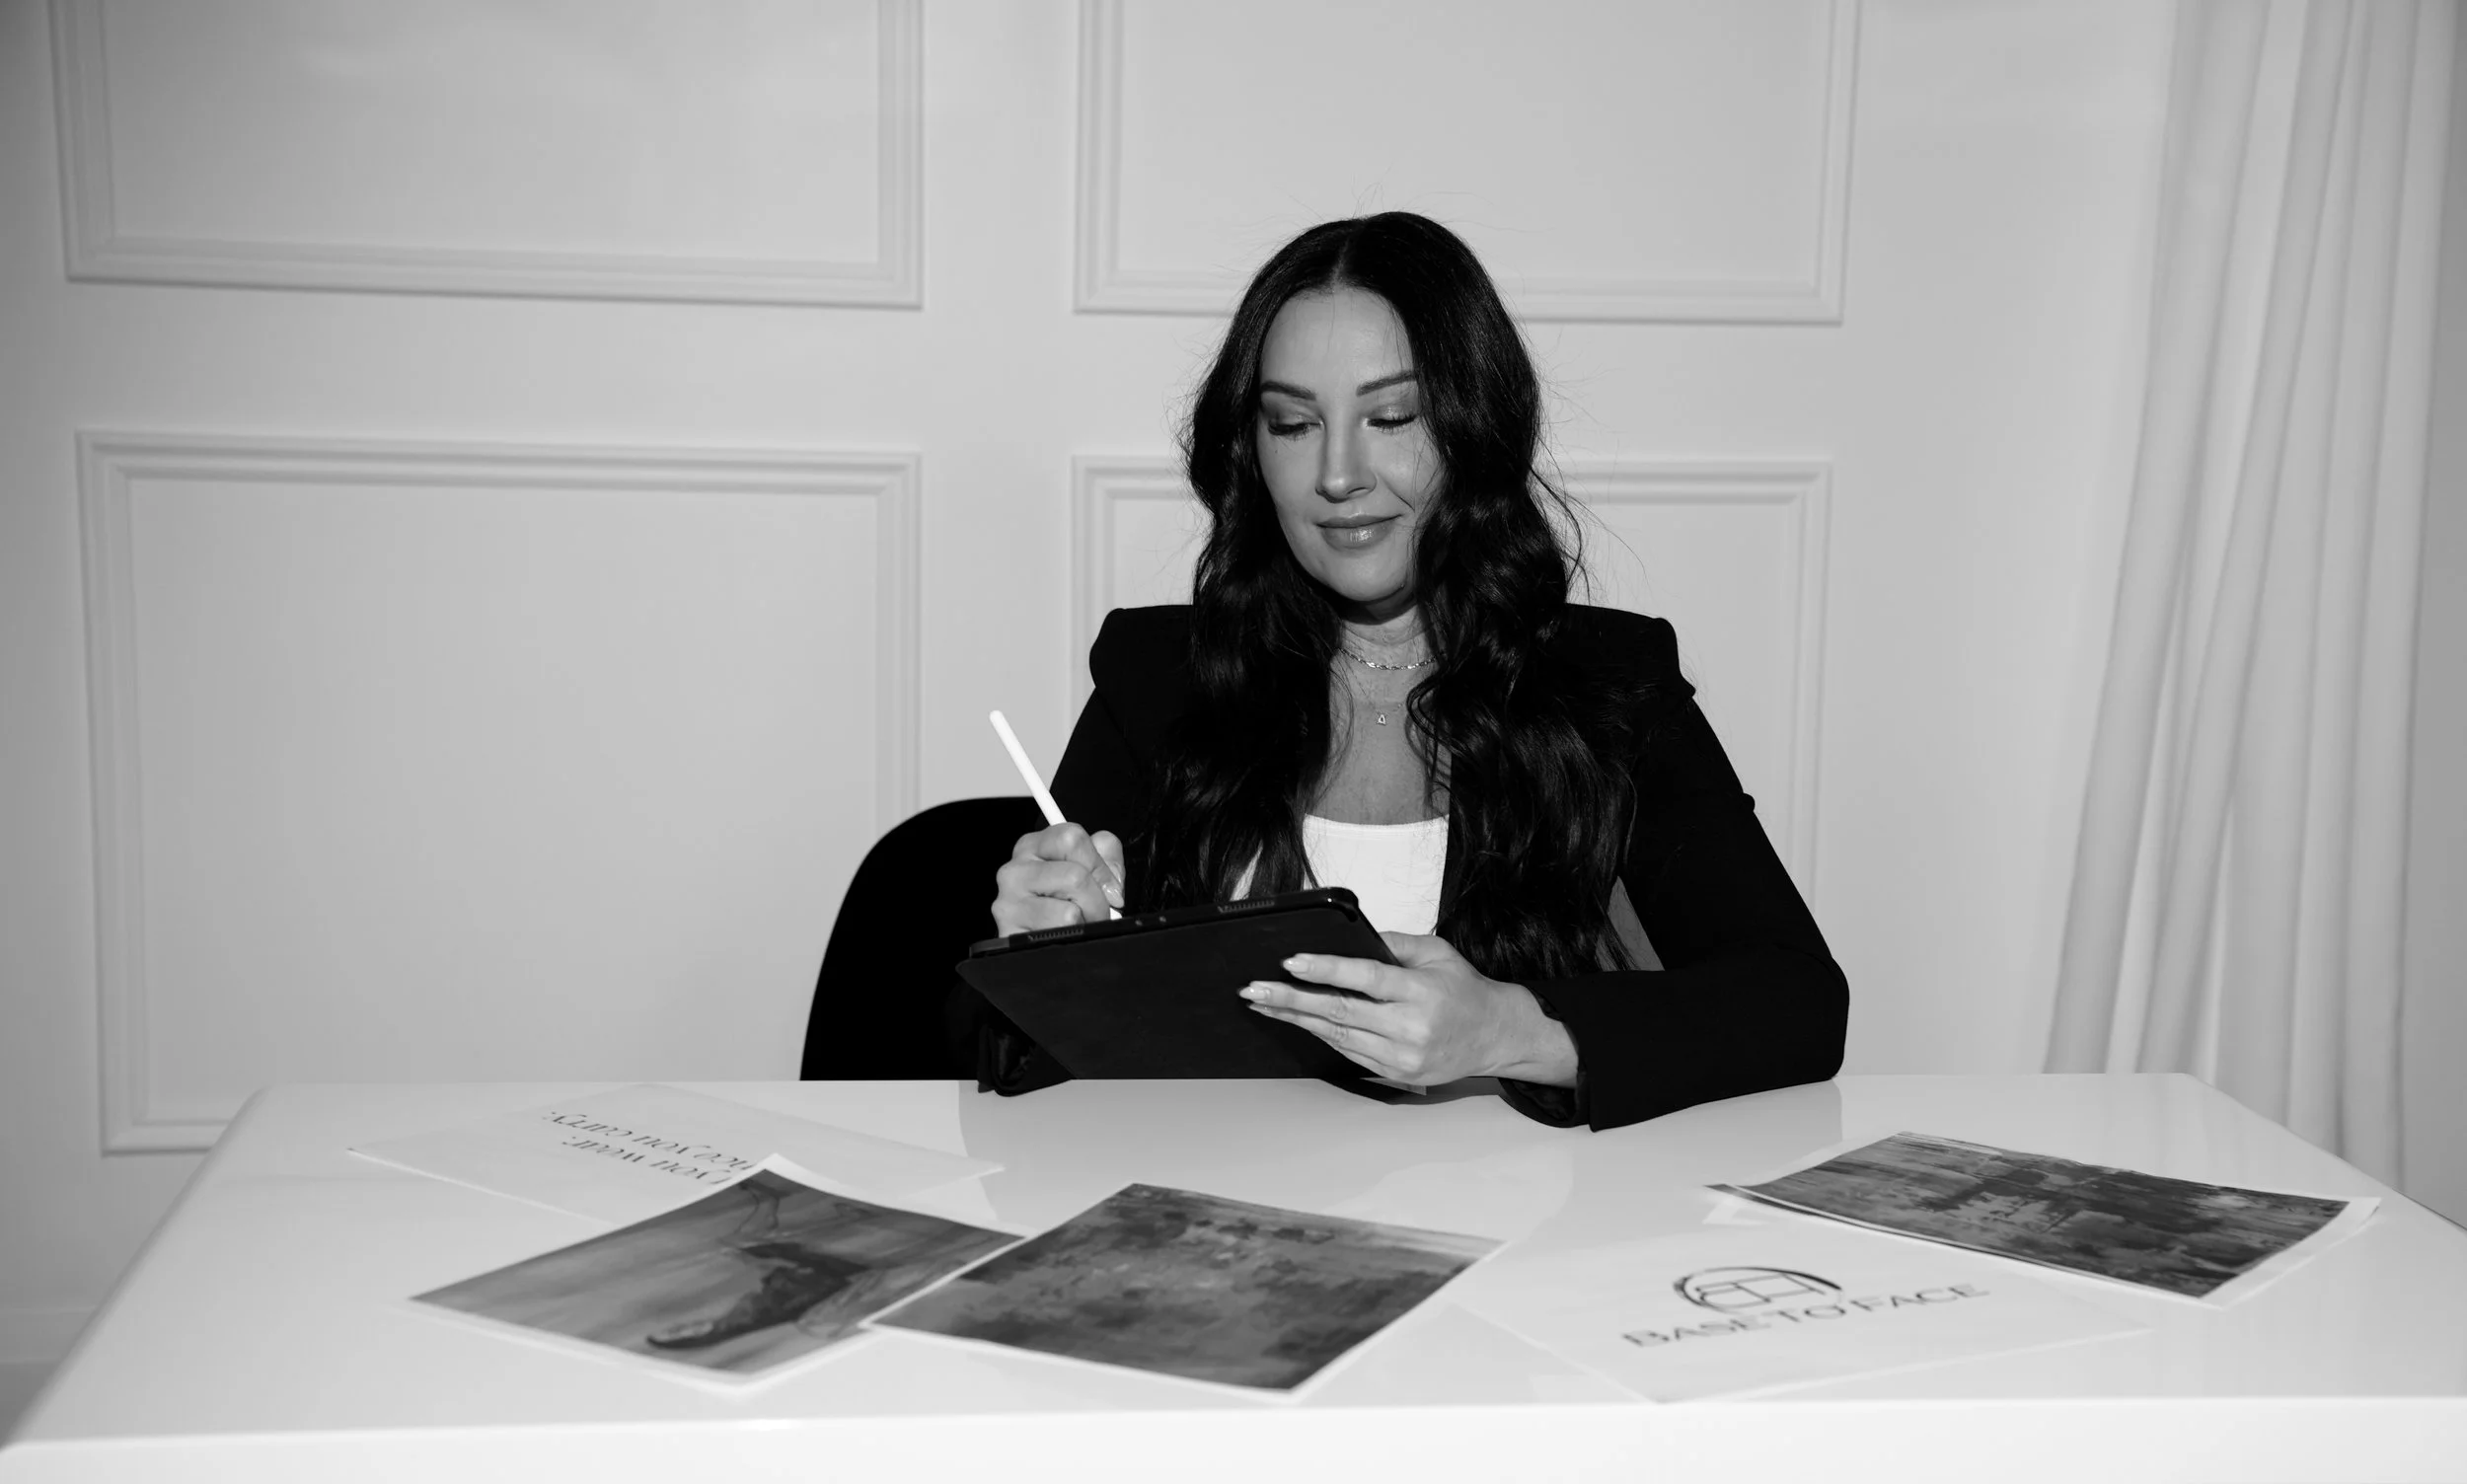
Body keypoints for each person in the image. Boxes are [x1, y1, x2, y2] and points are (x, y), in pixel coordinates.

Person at [971, 212, 1846, 1131]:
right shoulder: (1161, 677)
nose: (1339, 473)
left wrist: (1515, 1029)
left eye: (1391, 417)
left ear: (1475, 429)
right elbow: (994, 1058)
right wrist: (1031, 960)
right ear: (1250, 450)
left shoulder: (1608, 684)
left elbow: (1797, 1001)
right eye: (1293, 423)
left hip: (1527, 1244)